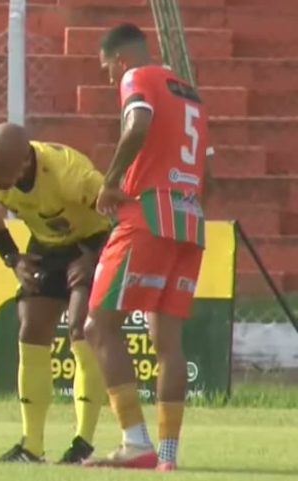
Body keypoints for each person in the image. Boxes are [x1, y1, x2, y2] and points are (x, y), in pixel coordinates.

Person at [82, 23, 215, 471]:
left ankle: (135, 442)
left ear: (120, 60)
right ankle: (168, 457)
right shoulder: (189, 93)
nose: (108, 79)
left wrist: (111, 180)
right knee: (168, 342)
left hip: (147, 215)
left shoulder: (137, 78)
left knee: (97, 326)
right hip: (191, 219)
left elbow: (138, 124)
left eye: (106, 70)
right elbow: (207, 173)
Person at [0, 122, 111, 464]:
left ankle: (82, 445)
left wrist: (93, 258)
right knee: (31, 327)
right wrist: (11, 256)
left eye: (2, 174)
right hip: (46, 246)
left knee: (80, 327)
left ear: (24, 164)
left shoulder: (69, 174)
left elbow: (122, 214)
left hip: (95, 242)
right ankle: (31, 446)